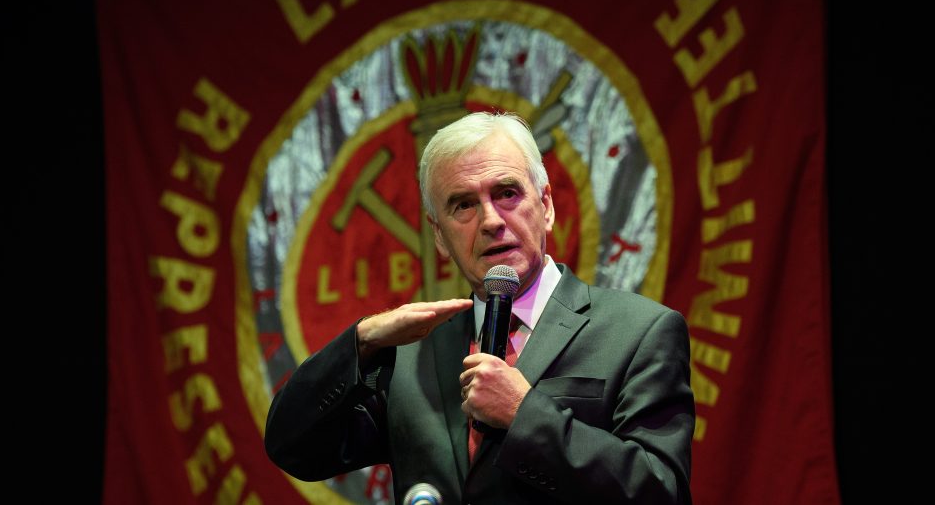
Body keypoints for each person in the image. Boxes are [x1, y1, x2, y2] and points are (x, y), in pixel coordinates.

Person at [264, 111, 695, 504]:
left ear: (545, 206)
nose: (490, 220)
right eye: (463, 204)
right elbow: (294, 448)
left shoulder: (639, 332)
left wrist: (525, 416)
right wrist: (360, 342)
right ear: (438, 235)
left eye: (507, 193)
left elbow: (662, 492)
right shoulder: (414, 353)